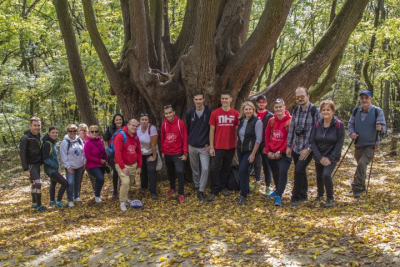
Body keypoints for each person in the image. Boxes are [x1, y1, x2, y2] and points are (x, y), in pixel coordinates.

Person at [286, 87, 322, 206]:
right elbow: (292, 128)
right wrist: (289, 145)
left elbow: (318, 131)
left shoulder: (315, 111)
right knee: (300, 171)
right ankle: (303, 194)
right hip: (296, 146)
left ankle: (295, 197)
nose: (300, 99)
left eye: (302, 96)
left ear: (308, 96)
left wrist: (309, 149)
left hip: (308, 147)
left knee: (298, 170)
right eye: (297, 97)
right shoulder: (296, 110)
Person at [348, 90, 386, 198]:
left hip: (371, 144)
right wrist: (352, 133)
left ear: (370, 99)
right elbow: (350, 124)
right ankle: (362, 185)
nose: (364, 100)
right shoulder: (356, 111)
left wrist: (380, 128)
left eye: (366, 98)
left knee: (362, 163)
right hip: (358, 143)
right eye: (362, 98)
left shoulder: (377, 111)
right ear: (360, 100)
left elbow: (383, 127)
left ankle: (356, 188)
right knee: (361, 164)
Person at [310, 100, 345, 207]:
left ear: (333, 111)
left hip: (332, 157)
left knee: (326, 175)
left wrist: (330, 158)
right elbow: (312, 141)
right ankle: (320, 195)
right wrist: (320, 158)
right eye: (323, 110)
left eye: (328, 110)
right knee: (319, 176)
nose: (325, 112)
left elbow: (339, 144)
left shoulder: (339, 125)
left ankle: (330, 198)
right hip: (319, 155)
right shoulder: (317, 124)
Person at [208, 90, 240, 201]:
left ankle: (223, 187)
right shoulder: (215, 113)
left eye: (226, 98)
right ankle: (214, 190)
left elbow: (237, 131)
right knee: (214, 169)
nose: (224, 100)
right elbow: (211, 131)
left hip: (231, 147)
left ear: (231, 99)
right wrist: (211, 147)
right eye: (223, 99)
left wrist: (236, 146)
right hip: (217, 146)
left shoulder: (236, 114)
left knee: (226, 168)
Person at [264, 99, 292, 206]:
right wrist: (268, 151)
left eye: (280, 107)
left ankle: (279, 195)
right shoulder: (271, 121)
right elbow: (267, 136)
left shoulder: (289, 121)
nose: (278, 109)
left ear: (284, 107)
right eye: (276, 107)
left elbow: (289, 139)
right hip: (272, 152)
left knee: (283, 171)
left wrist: (280, 151)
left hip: (285, 153)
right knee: (275, 173)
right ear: (274, 108)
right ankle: (277, 190)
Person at [186, 92, 213, 202]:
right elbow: (189, 127)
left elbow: (213, 129)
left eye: (200, 99)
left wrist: (211, 145)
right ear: (193, 100)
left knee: (205, 168)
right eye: (196, 99)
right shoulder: (190, 112)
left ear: (203, 100)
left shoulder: (209, 111)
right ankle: (197, 186)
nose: (198, 101)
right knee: (195, 168)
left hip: (204, 146)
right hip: (192, 145)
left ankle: (201, 191)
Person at [161, 104, 188, 203]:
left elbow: (185, 139)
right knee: (170, 171)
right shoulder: (164, 124)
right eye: (166, 113)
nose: (168, 115)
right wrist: (163, 151)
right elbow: (163, 138)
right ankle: (172, 188)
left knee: (180, 171)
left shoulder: (180, 123)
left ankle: (181, 193)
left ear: (174, 113)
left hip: (178, 153)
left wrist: (185, 153)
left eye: (169, 113)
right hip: (167, 152)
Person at [236, 101, 263, 205]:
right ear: (243, 110)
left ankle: (243, 195)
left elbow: (258, 139)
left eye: (250, 109)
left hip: (250, 150)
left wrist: (253, 154)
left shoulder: (257, 122)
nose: (248, 111)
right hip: (240, 150)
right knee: (244, 171)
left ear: (253, 110)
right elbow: (239, 136)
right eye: (246, 109)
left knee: (242, 170)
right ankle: (246, 190)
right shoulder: (241, 121)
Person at [114, 119, 142, 211]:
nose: (134, 128)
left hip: (133, 164)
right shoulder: (120, 136)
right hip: (122, 164)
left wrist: (139, 166)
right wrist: (122, 167)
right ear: (128, 125)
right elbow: (117, 153)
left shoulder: (136, 137)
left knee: (130, 182)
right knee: (125, 182)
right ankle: (122, 202)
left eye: (136, 126)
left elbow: (138, 151)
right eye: (132, 125)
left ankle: (126, 197)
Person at [19, 117, 46, 212]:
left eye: (39, 125)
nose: (37, 127)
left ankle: (34, 203)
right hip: (30, 165)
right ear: (30, 126)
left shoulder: (39, 136)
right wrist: (25, 169)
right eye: (35, 125)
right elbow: (22, 153)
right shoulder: (25, 138)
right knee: (38, 183)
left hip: (37, 164)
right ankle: (39, 205)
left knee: (34, 184)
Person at [60, 124, 86, 207]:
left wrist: (84, 162)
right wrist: (67, 166)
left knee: (77, 182)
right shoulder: (65, 142)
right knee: (70, 183)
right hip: (70, 167)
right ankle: (70, 199)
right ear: (67, 132)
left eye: (74, 131)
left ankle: (76, 196)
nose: (72, 133)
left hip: (79, 165)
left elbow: (83, 151)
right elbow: (63, 155)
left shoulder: (79, 140)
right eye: (70, 131)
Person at [42, 126, 68, 208]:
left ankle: (52, 201)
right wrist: (55, 165)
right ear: (48, 133)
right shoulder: (47, 143)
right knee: (65, 183)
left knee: (53, 183)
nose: (55, 134)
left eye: (56, 132)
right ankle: (58, 202)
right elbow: (45, 158)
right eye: (53, 132)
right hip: (50, 170)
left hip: (52, 169)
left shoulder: (52, 142)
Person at [104, 114, 127, 198]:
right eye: (116, 120)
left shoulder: (126, 128)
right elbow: (105, 138)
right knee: (116, 171)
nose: (118, 121)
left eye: (120, 119)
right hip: (113, 154)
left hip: (124, 153)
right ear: (114, 121)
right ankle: (115, 191)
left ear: (122, 120)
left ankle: (124, 189)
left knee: (124, 171)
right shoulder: (110, 129)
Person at [253, 95, 273, 193]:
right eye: (259, 102)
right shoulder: (253, 114)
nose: (261, 103)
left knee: (266, 165)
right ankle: (257, 181)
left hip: (265, 144)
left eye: (263, 102)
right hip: (255, 143)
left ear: (266, 103)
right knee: (256, 163)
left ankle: (268, 185)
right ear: (256, 103)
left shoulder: (270, 116)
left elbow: (272, 132)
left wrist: (268, 146)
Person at [84, 125, 108, 204]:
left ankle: (97, 193)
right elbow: (88, 156)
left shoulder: (100, 140)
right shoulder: (87, 143)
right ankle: (97, 195)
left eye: (96, 131)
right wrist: (99, 161)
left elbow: (104, 152)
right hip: (92, 165)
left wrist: (106, 161)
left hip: (102, 164)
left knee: (100, 180)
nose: (94, 133)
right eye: (92, 131)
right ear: (89, 132)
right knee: (100, 178)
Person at [137, 113, 158, 200]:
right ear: (140, 121)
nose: (144, 121)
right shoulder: (137, 128)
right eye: (142, 119)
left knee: (152, 170)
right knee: (142, 171)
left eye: (146, 119)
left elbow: (153, 145)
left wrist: (154, 157)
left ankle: (153, 191)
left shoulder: (151, 129)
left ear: (148, 121)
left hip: (150, 152)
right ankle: (143, 187)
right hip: (140, 153)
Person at [78, 123, 96, 191]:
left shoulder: (91, 139)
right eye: (81, 130)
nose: (83, 132)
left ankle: (97, 193)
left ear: (87, 131)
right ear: (78, 131)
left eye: (84, 130)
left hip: (90, 162)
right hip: (80, 163)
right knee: (78, 179)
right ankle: (76, 195)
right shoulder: (76, 139)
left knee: (93, 178)